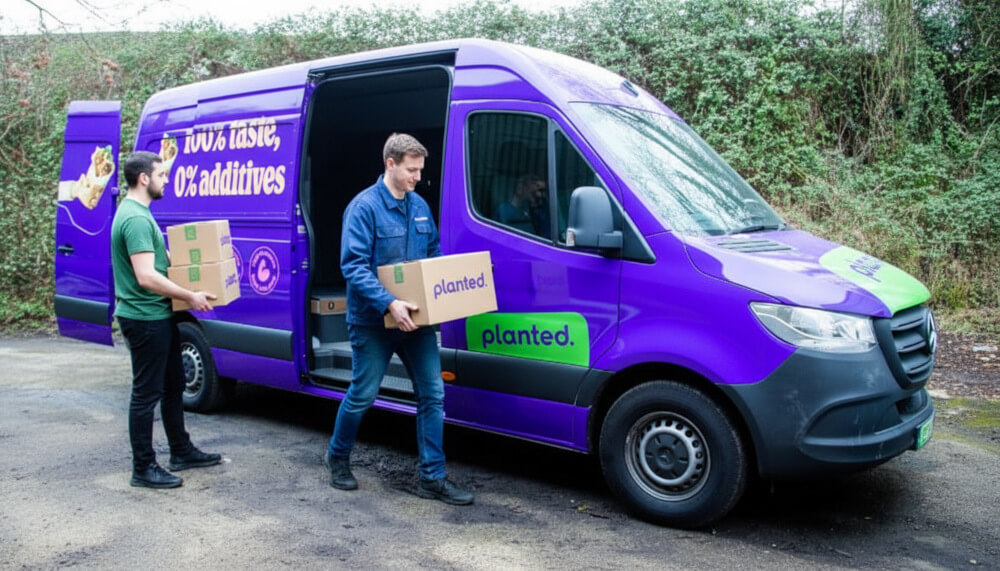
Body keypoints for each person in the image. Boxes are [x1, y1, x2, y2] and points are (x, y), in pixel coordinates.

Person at [325, 133, 474, 506]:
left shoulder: (419, 205)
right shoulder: (363, 208)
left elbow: (433, 253)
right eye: (411, 170)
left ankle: (432, 478)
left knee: (433, 395)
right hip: (374, 322)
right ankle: (338, 457)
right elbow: (354, 268)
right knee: (363, 394)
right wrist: (390, 303)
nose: (417, 177)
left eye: (420, 170)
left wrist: (442, 288)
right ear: (390, 164)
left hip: (418, 323)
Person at [112, 151, 222, 489]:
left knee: (173, 384)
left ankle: (181, 450)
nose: (166, 180)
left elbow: (160, 261)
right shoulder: (135, 219)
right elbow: (146, 276)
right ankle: (143, 467)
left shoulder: (139, 214)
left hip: (158, 314)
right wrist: (189, 296)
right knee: (146, 394)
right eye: (162, 174)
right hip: (144, 317)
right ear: (144, 178)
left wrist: (198, 267)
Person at [496, 173, 549, 238]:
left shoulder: (535, 211)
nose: (539, 195)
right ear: (521, 188)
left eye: (542, 191)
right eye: (534, 191)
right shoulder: (504, 211)